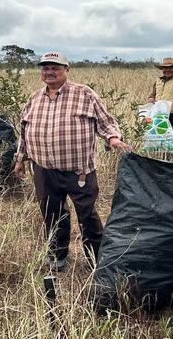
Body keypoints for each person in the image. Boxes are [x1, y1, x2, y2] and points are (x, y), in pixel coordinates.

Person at [13, 51, 133, 272]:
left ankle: (97, 260)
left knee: (87, 215)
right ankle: (57, 257)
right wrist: (20, 159)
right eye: (45, 68)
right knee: (52, 213)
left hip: (79, 171)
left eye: (55, 67)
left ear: (66, 71)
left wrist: (113, 138)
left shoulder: (84, 94)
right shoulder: (34, 98)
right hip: (43, 169)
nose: (49, 72)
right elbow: (24, 131)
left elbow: (105, 122)